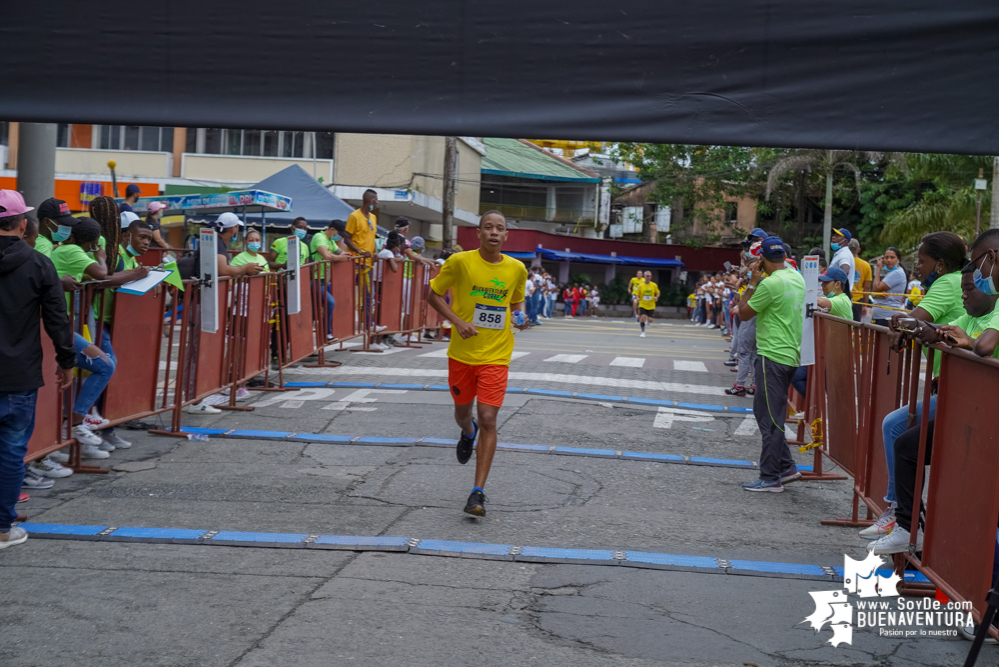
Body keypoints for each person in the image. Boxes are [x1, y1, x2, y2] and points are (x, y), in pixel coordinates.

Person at [861, 231, 968, 538]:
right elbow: (916, 323)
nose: (917, 267)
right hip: (950, 383)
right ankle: (902, 512)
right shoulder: (948, 283)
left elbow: (914, 318)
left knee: (896, 427)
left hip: (958, 386)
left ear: (940, 264)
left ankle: (905, 516)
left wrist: (904, 325)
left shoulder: (948, 283)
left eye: (922, 261)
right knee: (896, 427)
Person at [427, 211, 528, 517]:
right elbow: (432, 295)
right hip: (462, 354)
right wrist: (457, 322)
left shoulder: (517, 269)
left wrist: (520, 316)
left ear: (506, 235)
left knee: (489, 418)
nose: (494, 232)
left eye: (500, 228)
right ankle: (466, 431)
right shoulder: (459, 262)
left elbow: (515, 301)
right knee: (463, 413)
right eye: (489, 228)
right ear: (479, 233)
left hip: (496, 355)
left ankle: (477, 492)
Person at [0, 191, 75, 549]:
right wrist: (66, 361)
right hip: (19, 374)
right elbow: (57, 319)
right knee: (12, 452)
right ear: (24, 225)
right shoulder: (38, 264)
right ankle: (2, 528)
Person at [50, 217, 148, 456]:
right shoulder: (72, 250)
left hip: (66, 323)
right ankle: (75, 423)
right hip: (58, 325)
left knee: (101, 366)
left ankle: (76, 423)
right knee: (103, 366)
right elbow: (101, 274)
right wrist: (101, 254)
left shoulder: (71, 249)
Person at [735, 236, 806, 492]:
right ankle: (786, 467)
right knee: (769, 413)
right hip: (790, 355)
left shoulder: (769, 284)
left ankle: (769, 477)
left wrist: (752, 284)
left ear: (763, 259)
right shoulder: (796, 278)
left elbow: (742, 313)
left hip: (771, 355)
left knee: (770, 419)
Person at [310, 220, 352, 342]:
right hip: (314, 280)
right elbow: (326, 255)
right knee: (330, 302)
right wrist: (340, 258)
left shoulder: (331, 241)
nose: (340, 236)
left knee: (318, 309)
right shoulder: (319, 237)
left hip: (324, 280)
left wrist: (347, 255)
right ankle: (326, 334)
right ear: (332, 229)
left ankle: (322, 334)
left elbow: (339, 252)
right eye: (339, 233)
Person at [870, 247, 907, 327]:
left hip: (887, 317)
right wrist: (876, 295)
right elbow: (874, 293)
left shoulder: (897, 273)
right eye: (886, 257)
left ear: (898, 260)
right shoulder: (893, 273)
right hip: (883, 317)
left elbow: (876, 288)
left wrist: (878, 268)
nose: (889, 260)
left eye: (892, 257)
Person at [849, 239, 871, 321]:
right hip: (858, 300)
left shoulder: (843, 262)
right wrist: (865, 305)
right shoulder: (866, 265)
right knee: (855, 326)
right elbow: (867, 288)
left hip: (843, 298)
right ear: (858, 250)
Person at [829, 228, 855, 294]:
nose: (833, 237)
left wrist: (834, 290)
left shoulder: (844, 254)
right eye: (834, 235)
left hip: (839, 294)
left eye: (837, 236)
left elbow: (845, 272)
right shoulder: (841, 253)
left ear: (845, 241)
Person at [635, 271, 659, 337]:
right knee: (642, 318)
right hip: (642, 304)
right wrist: (637, 298)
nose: (649, 277)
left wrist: (656, 297)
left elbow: (658, 292)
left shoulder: (654, 285)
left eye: (650, 276)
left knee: (650, 320)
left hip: (651, 305)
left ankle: (647, 320)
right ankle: (643, 332)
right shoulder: (640, 285)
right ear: (644, 276)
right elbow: (637, 294)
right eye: (647, 276)